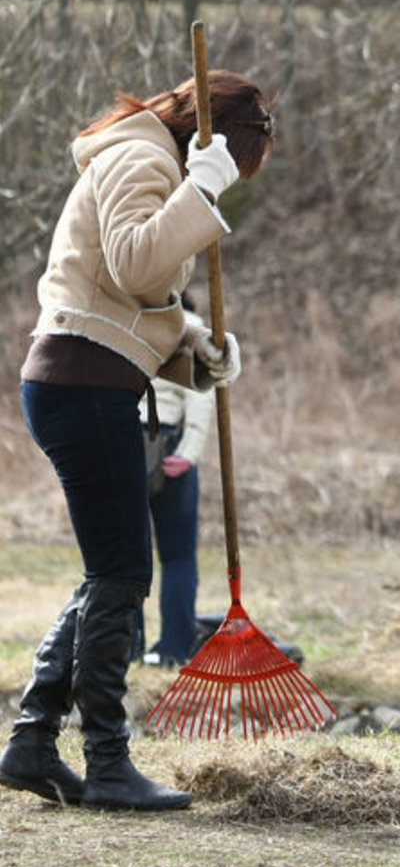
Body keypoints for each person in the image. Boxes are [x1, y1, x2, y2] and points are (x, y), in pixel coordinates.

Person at [0, 70, 274, 811]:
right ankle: (109, 763)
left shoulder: (151, 160)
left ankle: (31, 742)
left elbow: (131, 297)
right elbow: (134, 260)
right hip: (82, 386)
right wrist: (201, 192)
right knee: (121, 576)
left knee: (109, 571)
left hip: (92, 380)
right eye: (236, 166)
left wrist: (194, 346)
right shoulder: (143, 159)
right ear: (210, 138)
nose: (230, 182)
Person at [135, 292, 216, 670]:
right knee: (179, 555)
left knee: (124, 560)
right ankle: (174, 649)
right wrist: (189, 450)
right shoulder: (193, 330)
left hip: (124, 441)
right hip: (168, 444)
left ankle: (126, 648)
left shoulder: (129, 323)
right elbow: (200, 394)